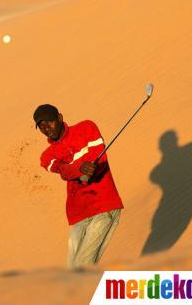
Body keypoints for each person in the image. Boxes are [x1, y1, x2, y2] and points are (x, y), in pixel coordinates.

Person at [33, 104, 124, 270]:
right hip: (79, 213)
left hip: (104, 206)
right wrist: (80, 168)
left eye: (49, 122)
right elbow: (63, 170)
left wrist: (89, 169)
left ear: (59, 118)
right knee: (72, 270)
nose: (46, 128)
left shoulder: (86, 128)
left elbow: (99, 157)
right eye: (41, 126)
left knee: (82, 266)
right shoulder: (47, 156)